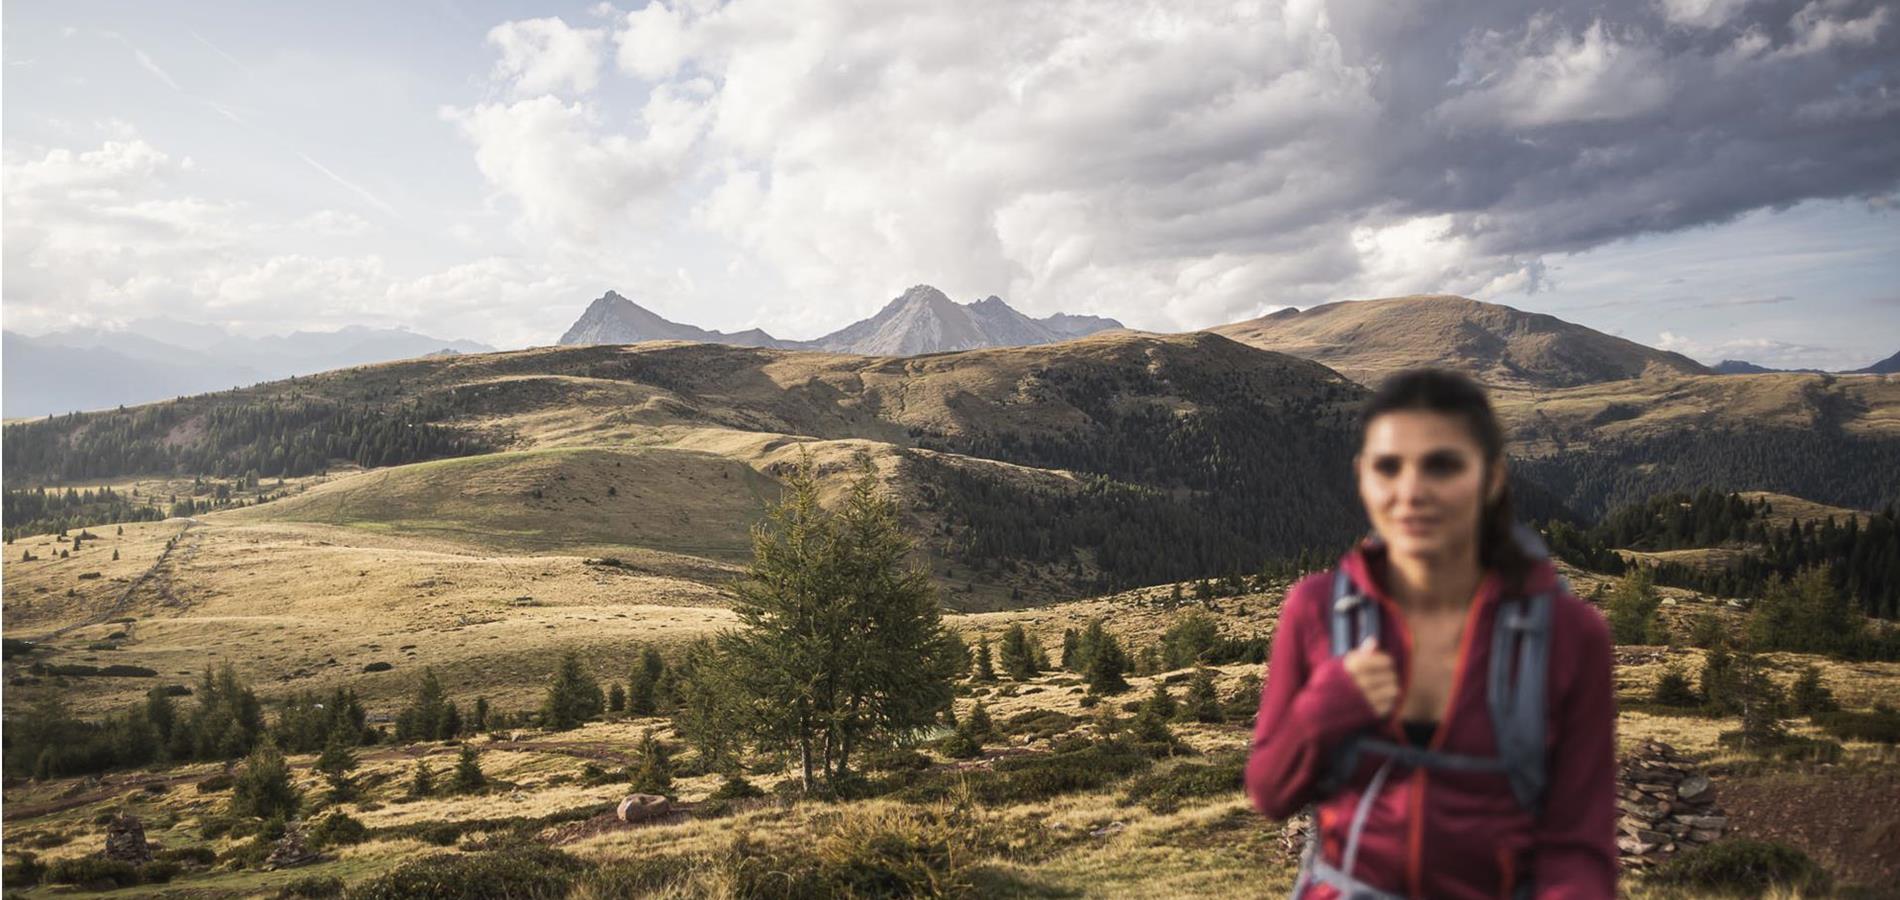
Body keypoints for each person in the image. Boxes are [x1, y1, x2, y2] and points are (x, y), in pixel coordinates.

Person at [1245, 368, 1616, 900]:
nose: (1411, 491)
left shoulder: (1569, 636)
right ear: (1361, 476)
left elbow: (1578, 848)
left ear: (1491, 478)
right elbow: (1271, 792)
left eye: (1442, 466)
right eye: (1388, 467)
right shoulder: (1316, 610)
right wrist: (1327, 708)